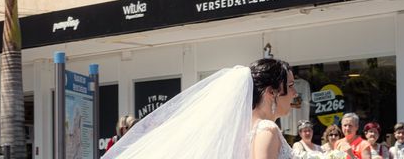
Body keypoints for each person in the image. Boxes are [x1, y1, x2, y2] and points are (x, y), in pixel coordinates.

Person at [101, 58, 296, 159]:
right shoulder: (266, 130)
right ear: (272, 92)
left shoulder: (239, 128)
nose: (295, 93)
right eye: (291, 85)